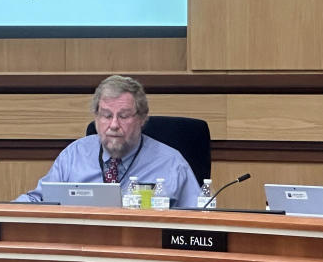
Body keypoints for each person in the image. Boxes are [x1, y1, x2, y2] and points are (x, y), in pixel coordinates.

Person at [18, 75, 200, 207]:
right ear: (96, 118)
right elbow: (39, 200)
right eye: (106, 115)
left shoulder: (171, 163)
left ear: (142, 119)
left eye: (124, 116)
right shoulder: (74, 155)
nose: (114, 125)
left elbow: (200, 219)